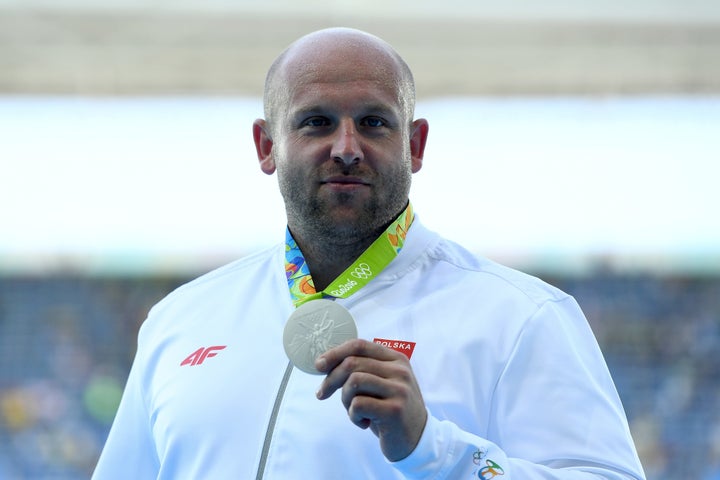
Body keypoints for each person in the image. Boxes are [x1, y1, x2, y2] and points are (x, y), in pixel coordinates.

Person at [92, 27, 646, 479]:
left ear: (415, 145)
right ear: (267, 147)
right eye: (317, 122)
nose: (347, 148)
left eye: (374, 122)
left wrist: (436, 448)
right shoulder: (181, 320)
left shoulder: (522, 318)